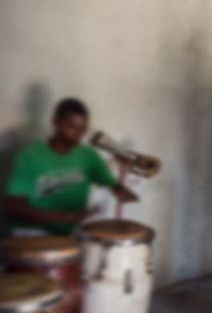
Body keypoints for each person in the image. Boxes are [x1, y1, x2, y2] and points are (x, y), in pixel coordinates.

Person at [5, 98, 137, 237]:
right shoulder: (30, 156)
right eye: (71, 127)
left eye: (82, 129)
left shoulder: (88, 156)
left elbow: (112, 184)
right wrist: (69, 217)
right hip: (32, 234)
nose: (77, 135)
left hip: (69, 235)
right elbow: (14, 207)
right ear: (55, 122)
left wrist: (121, 189)